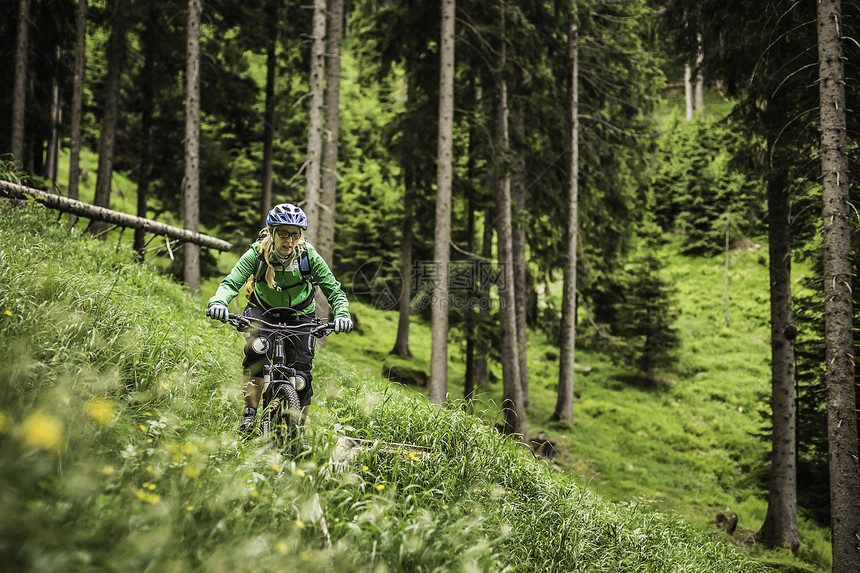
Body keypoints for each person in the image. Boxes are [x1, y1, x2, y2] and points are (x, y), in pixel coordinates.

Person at [206, 203, 353, 435]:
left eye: (295, 234)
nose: (289, 240)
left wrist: (342, 314)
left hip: (300, 315)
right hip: (262, 310)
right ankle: (250, 414)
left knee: (302, 376)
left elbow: (334, 291)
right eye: (283, 233)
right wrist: (218, 302)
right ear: (272, 233)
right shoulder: (257, 254)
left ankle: (298, 430)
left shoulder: (308, 256)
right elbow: (231, 282)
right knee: (256, 355)